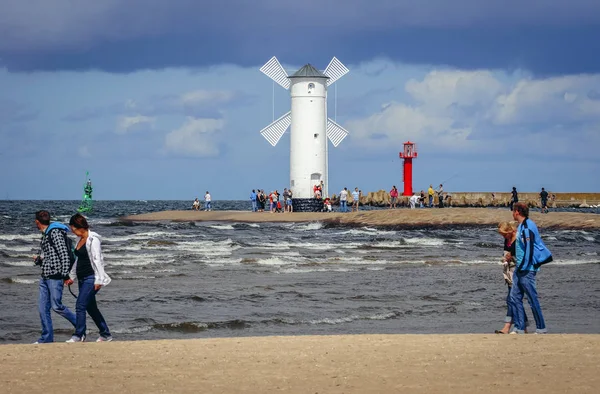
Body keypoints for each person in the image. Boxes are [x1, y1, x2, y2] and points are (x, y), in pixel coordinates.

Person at [64, 214, 112, 342]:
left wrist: (99, 280)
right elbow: (77, 260)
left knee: (80, 305)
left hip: (92, 277)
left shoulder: (93, 239)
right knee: (91, 307)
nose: (72, 232)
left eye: (73, 229)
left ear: (79, 227)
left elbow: (97, 260)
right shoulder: (79, 240)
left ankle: (79, 335)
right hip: (82, 277)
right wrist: (71, 276)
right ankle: (106, 334)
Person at [33, 210, 76, 343]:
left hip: (55, 276)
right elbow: (52, 256)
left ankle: (80, 325)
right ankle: (46, 338)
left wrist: (65, 275)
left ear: (37, 222)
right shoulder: (45, 234)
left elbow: (63, 254)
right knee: (42, 308)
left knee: (56, 306)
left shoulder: (55, 232)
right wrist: (40, 260)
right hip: (45, 276)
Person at [510, 203, 549, 334]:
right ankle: (520, 327)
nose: (512, 213)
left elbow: (529, 248)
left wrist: (523, 266)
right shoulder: (521, 226)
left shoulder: (528, 226)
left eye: (513, 211)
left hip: (527, 269)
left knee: (532, 298)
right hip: (519, 268)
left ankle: (541, 327)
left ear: (517, 212)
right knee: (514, 297)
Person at [496, 222, 528, 334]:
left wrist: (511, 257)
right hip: (509, 271)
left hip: (518, 270)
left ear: (510, 231)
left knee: (513, 298)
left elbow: (522, 255)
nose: (504, 237)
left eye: (504, 234)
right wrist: (505, 258)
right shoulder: (507, 239)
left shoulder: (518, 239)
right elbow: (506, 252)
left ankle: (510, 326)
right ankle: (522, 326)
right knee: (512, 298)